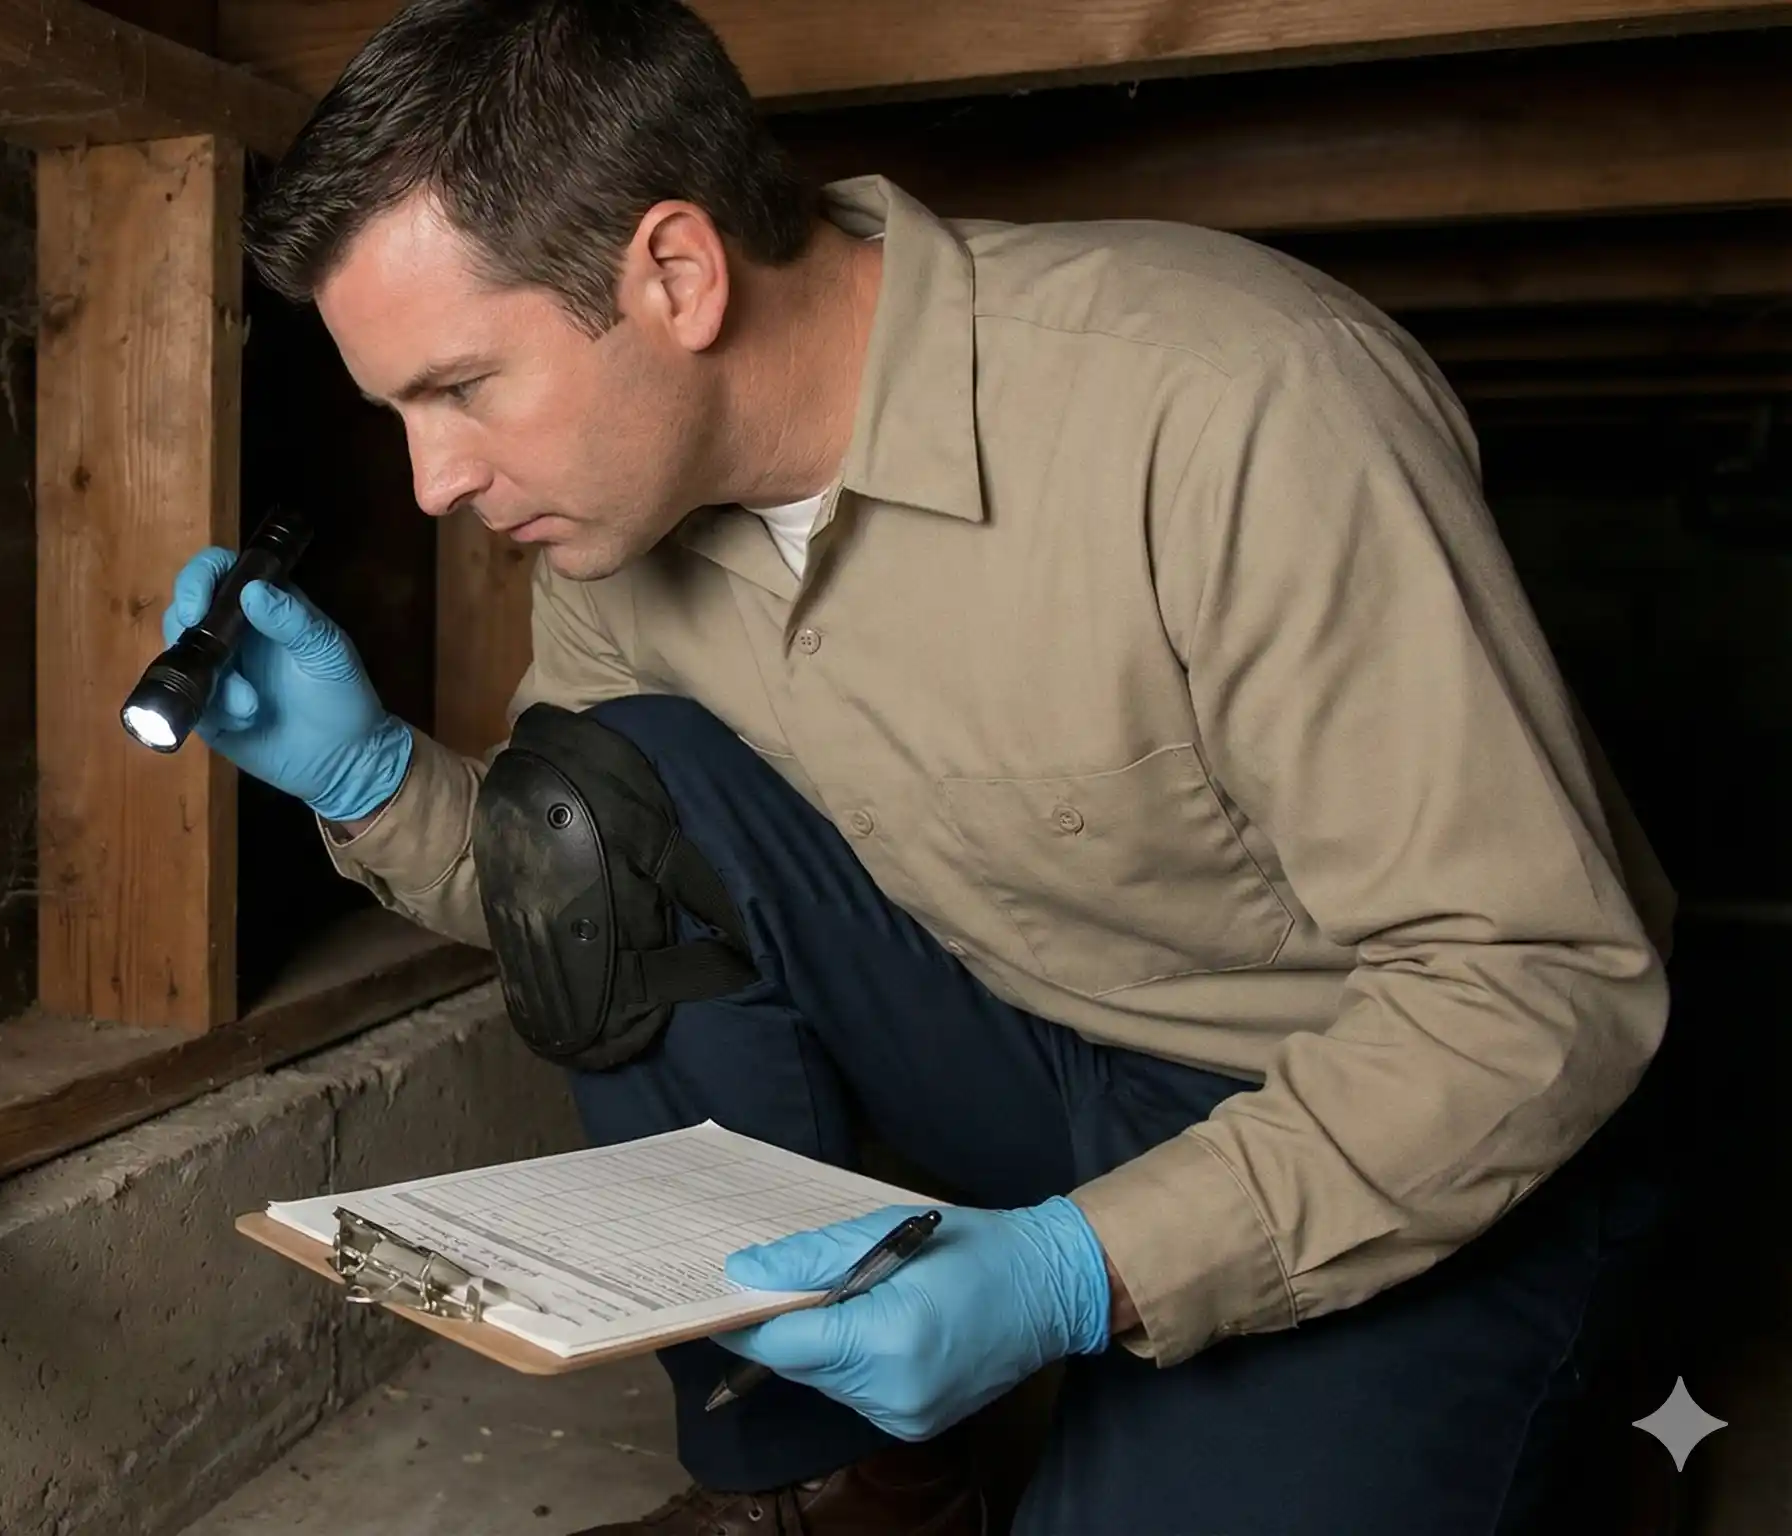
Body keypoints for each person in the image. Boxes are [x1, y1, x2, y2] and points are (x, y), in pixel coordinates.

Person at [163, 1, 1679, 1530]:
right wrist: (361, 774)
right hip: (1033, 1050)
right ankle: (833, 1476)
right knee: (609, 785)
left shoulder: (1232, 405)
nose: (434, 485)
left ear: (677, 274)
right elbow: (591, 899)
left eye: (462, 388)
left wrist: (1079, 1270)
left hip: (1401, 1111)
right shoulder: (615, 528)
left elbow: (1540, 984)